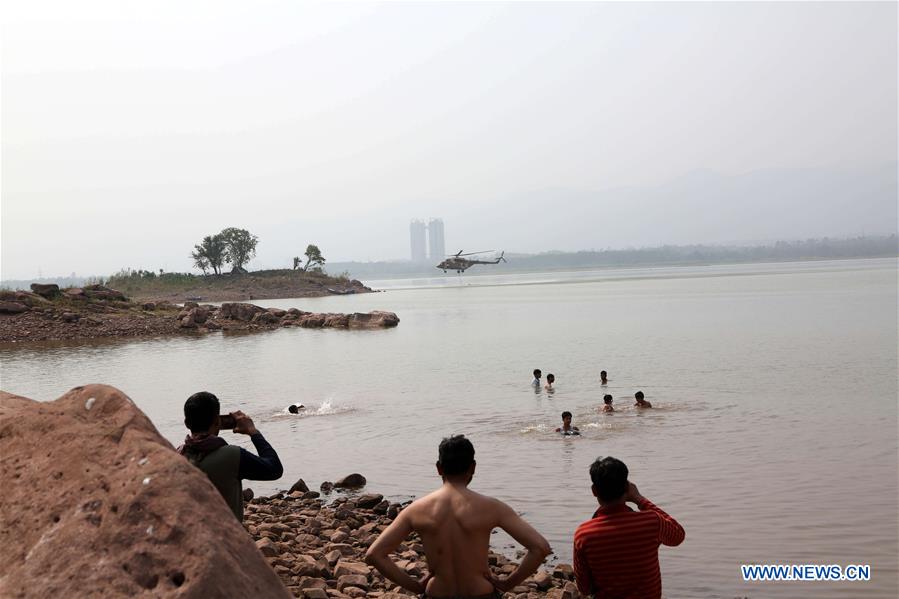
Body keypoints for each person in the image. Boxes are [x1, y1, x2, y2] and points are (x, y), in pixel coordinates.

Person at [366, 435, 552, 598]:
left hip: (438, 593)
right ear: (473, 467)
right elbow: (540, 548)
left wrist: (414, 586)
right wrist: (508, 583)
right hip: (480, 593)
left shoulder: (416, 509)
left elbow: (375, 555)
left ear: (439, 468)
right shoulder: (492, 507)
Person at [573, 457, 685, 599]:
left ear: (594, 491)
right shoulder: (651, 521)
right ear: (627, 488)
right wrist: (640, 499)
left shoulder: (583, 534)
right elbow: (678, 536)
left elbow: (584, 588)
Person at [178, 391, 283, 522]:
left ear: (187, 423)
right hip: (227, 533)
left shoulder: (176, 456)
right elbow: (274, 469)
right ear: (217, 421)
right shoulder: (232, 455)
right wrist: (253, 432)